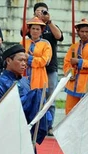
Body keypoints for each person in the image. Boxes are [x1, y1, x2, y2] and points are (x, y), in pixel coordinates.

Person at [0, 44, 51, 146]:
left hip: (27, 132)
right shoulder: (0, 83)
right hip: (9, 135)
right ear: (9, 61)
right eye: (20, 60)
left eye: (25, 61)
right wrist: (32, 97)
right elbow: (2, 112)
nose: (24, 64)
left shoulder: (25, 81)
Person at [32, 3, 63, 135]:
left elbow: (59, 36)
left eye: (43, 12)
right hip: (34, 67)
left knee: (50, 97)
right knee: (33, 95)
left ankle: (49, 125)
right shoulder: (32, 26)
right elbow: (23, 33)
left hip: (50, 67)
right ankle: (34, 122)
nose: (41, 14)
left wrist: (48, 21)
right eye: (38, 11)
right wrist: (34, 20)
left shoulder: (51, 27)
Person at [63, 18, 88, 115]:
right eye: (82, 31)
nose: (84, 34)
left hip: (87, 81)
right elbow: (67, 62)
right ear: (78, 32)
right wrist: (69, 73)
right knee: (70, 110)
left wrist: (79, 61)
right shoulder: (73, 47)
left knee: (86, 111)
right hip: (73, 81)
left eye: (86, 31)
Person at [21, 17, 52, 90]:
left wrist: (30, 58)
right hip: (23, 74)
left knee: (38, 99)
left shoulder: (46, 44)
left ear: (41, 31)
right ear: (29, 30)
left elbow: (45, 61)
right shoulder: (23, 42)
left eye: (38, 29)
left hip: (39, 77)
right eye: (33, 28)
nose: (35, 31)